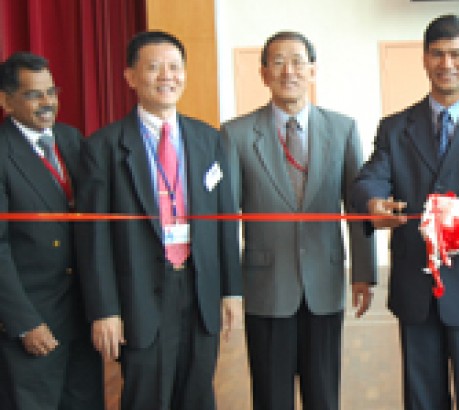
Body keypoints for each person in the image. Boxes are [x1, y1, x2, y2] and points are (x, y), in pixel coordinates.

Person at [350, 14, 459, 410]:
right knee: (421, 400)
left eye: (455, 54)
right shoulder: (395, 128)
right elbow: (369, 180)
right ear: (424, 59)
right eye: (437, 54)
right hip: (416, 289)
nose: (447, 63)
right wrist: (372, 203)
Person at [74, 31, 243, 410]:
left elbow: (224, 219)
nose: (167, 76)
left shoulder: (208, 139)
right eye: (153, 68)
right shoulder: (102, 147)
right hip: (139, 296)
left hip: (199, 290)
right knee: (145, 397)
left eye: (174, 67)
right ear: (131, 77)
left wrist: (232, 289)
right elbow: (93, 238)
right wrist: (104, 309)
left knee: (198, 395)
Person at [220, 31, 376, 410]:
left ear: (313, 70)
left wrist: (364, 272)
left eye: (298, 61)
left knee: (324, 393)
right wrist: (230, 288)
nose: (288, 71)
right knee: (271, 396)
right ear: (263, 73)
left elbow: (356, 206)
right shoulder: (236, 134)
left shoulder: (342, 129)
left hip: (324, 282)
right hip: (266, 287)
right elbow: (225, 218)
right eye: (277, 62)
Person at [0, 52, 103, 410]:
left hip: (81, 314)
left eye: (52, 92)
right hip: (33, 319)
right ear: (6, 100)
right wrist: (24, 322)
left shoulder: (71, 140)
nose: (48, 103)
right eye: (34, 94)